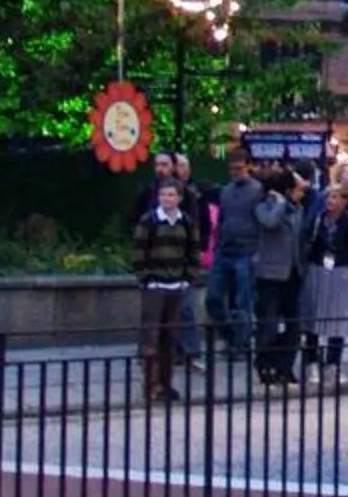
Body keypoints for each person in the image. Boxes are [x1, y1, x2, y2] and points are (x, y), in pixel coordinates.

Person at [129, 178, 202, 402]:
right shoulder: (149, 221)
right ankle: (151, 385)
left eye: (171, 195)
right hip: (155, 285)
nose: (167, 199)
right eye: (164, 195)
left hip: (177, 285)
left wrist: (187, 278)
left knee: (170, 338)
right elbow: (138, 252)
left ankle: (166, 384)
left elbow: (193, 251)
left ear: (179, 198)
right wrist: (146, 278)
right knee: (151, 338)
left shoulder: (186, 222)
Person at [301, 186, 348, 375]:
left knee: (337, 319)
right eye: (329, 196)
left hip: (339, 270)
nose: (330, 201)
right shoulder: (319, 219)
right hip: (317, 268)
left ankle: (333, 363)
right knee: (313, 316)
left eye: (335, 197)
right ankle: (311, 361)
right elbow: (310, 241)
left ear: (345, 201)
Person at [250, 172, 307, 386]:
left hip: (293, 273)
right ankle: (264, 364)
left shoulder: (298, 209)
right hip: (270, 274)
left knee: (294, 325)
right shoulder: (264, 206)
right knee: (269, 324)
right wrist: (280, 203)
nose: (302, 193)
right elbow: (270, 223)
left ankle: (285, 366)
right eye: (298, 189)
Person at [210, 156, 264, 356]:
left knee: (243, 301)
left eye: (240, 167)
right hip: (225, 249)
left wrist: (259, 251)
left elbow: (261, 222)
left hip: (247, 251)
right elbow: (222, 219)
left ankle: (241, 344)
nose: (236, 172)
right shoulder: (226, 191)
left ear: (248, 167)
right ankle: (230, 335)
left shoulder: (257, 190)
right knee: (213, 298)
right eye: (233, 168)